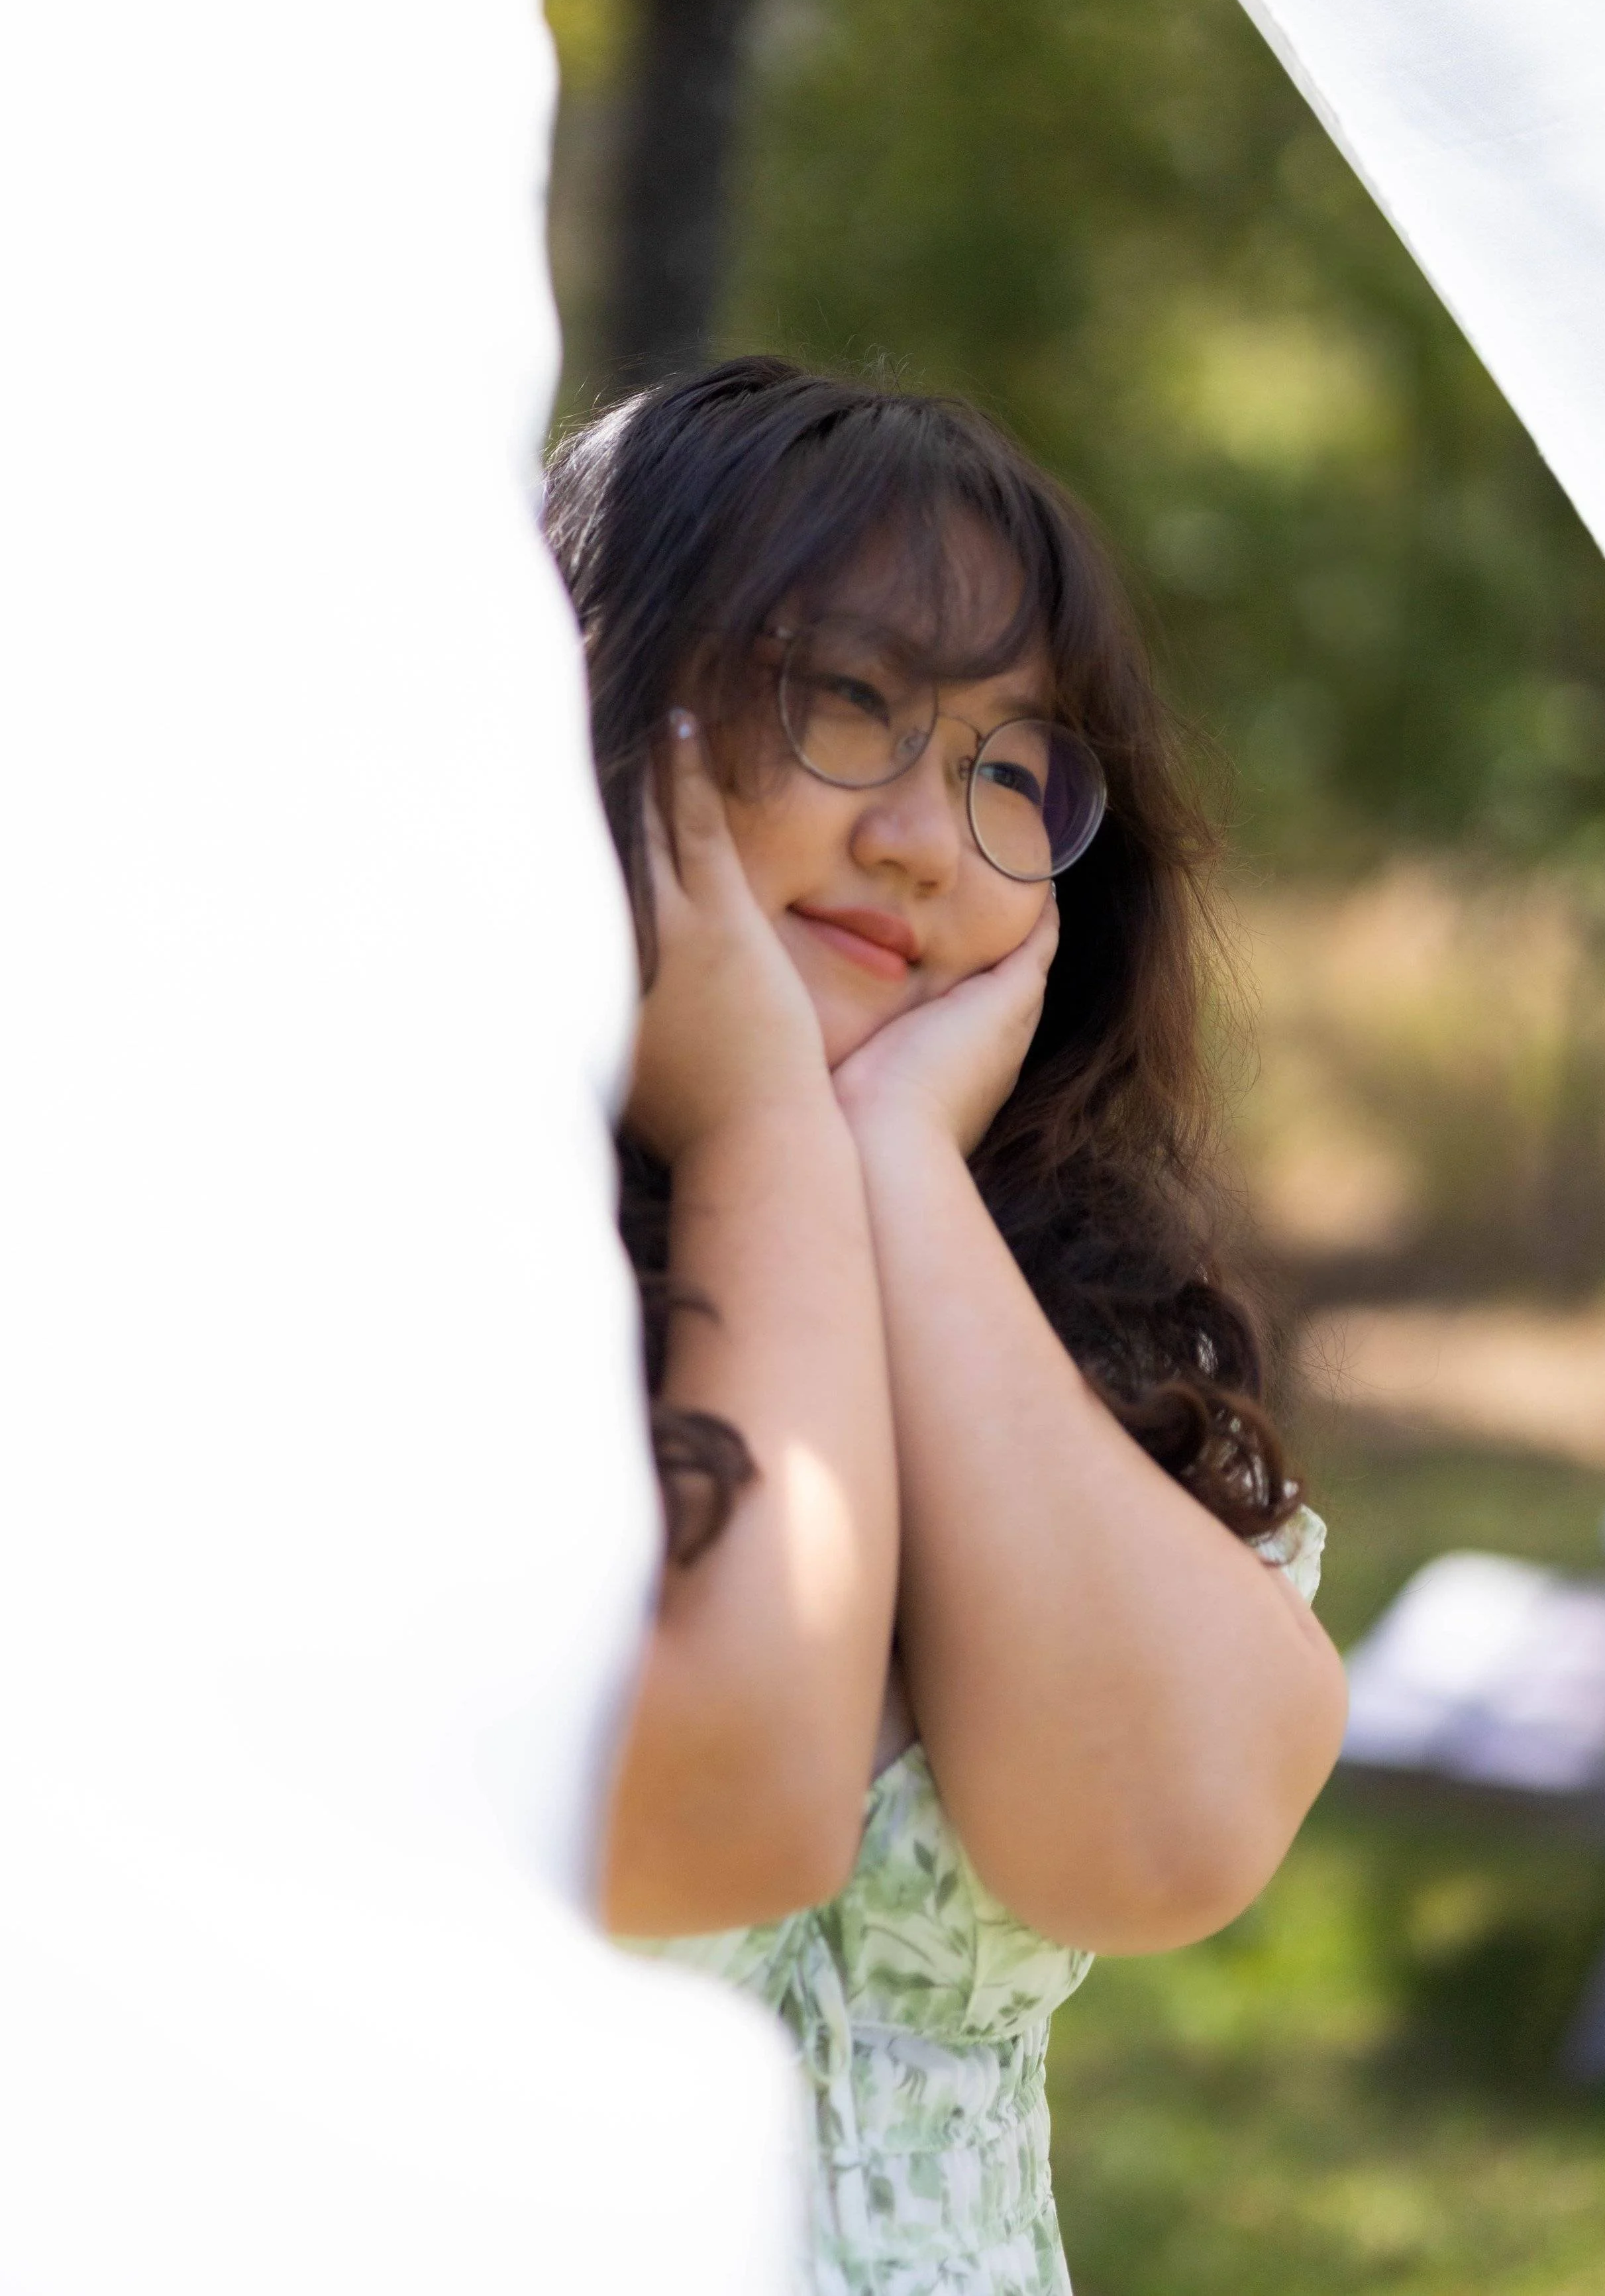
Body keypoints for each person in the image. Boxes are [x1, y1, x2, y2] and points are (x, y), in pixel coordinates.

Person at [542, 357, 1347, 2296]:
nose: (928, 837)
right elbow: (712, 1818)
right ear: (590, 688)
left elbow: (1157, 1843)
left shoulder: (1052, 1307)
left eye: (1009, 771)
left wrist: (884, 1166)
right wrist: (756, 1137)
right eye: (842, 700)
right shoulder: (396, 1265)